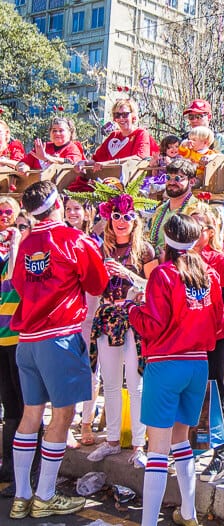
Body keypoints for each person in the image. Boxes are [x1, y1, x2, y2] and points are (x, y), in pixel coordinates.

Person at [9, 181, 109, 519]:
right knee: (63, 416)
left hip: (28, 340)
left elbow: (20, 284)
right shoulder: (75, 240)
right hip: (60, 337)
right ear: (58, 204)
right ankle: (45, 495)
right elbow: (97, 282)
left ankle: (23, 496)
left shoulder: (25, 244)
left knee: (31, 414)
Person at [128, 214, 223, 526]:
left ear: (166, 240)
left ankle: (149, 523)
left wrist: (132, 310)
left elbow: (152, 325)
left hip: (165, 363)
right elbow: (219, 323)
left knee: (157, 449)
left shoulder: (163, 274)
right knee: (181, 441)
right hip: (197, 364)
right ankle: (189, 513)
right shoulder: (208, 274)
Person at [85, 184, 158, 468]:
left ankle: (139, 444)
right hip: (107, 320)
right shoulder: (101, 248)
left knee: (135, 385)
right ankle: (112, 440)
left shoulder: (145, 250)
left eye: (127, 216)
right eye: (116, 215)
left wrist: (127, 273)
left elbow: (154, 287)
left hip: (134, 321)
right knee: (111, 384)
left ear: (135, 220)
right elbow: (92, 285)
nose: (121, 221)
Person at [191, 203, 224, 482]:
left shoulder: (221, 260)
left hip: (212, 336)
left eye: (199, 226)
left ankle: (220, 452)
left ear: (210, 231)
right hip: (184, 338)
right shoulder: (179, 257)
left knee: (214, 392)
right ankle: (196, 448)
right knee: (192, 394)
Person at [63, 195, 101, 447]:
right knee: (65, 369)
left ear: (88, 212)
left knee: (91, 370)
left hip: (93, 310)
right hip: (68, 312)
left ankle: (86, 421)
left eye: (77, 208)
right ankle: (64, 423)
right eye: (68, 208)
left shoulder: (97, 241)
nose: (72, 213)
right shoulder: (60, 237)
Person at [0, 201, 28, 484]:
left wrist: (17, 243)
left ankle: (28, 474)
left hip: (21, 339)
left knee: (27, 407)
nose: (14, 229)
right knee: (10, 407)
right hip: (2, 339)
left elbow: (16, 279)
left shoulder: (28, 256)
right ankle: (8, 469)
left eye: (21, 226)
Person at [75, 99, 151, 182]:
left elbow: (140, 157)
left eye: (125, 114)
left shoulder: (141, 133)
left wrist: (110, 163)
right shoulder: (113, 136)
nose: (121, 118)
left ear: (133, 116)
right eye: (117, 115)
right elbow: (97, 160)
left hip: (130, 181)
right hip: (108, 181)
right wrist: (84, 163)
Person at [15, 118, 85, 193]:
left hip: (62, 192)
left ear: (70, 132)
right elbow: (23, 162)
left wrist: (47, 158)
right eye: (54, 130)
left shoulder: (73, 148)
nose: (57, 133)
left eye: (61, 130)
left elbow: (71, 162)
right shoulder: (43, 147)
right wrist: (23, 167)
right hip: (37, 191)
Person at [147, 158, 200, 254]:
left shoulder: (197, 211)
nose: (171, 182)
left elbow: (198, 248)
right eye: (168, 178)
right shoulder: (160, 210)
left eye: (178, 178)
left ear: (192, 182)